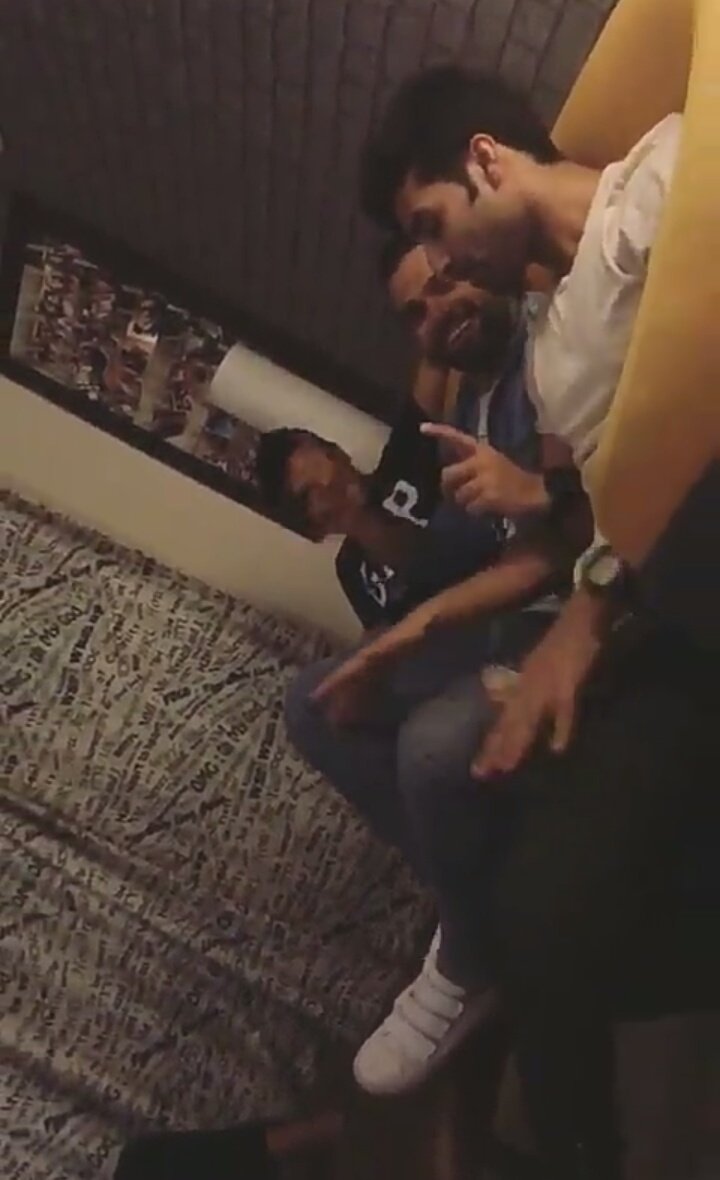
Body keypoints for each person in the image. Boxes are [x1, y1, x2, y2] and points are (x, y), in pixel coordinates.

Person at [360, 66, 719, 1177]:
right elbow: (582, 521)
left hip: (677, 574)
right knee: (541, 908)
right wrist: (549, 510)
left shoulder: (666, 177)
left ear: (486, 160)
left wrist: (587, 605)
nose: (442, 263)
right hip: (665, 612)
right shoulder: (554, 355)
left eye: (433, 225)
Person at [282, 239, 590, 1099]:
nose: (437, 312)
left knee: (429, 745)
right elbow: (448, 563)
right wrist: (388, 641)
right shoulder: (365, 555)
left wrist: (406, 623)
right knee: (310, 703)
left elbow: (518, 541)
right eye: (416, 312)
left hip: (528, 610)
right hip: (474, 625)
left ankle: (472, 944)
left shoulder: (428, 449)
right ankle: (474, 909)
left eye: (447, 282)